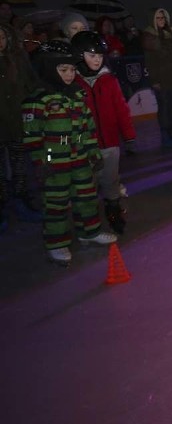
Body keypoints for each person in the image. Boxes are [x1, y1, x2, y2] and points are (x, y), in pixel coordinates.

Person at [21, 41, 117, 265]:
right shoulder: (37, 100)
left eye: (72, 69)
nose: (69, 74)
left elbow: (88, 127)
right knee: (56, 203)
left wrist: (92, 152)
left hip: (80, 157)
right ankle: (57, 243)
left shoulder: (76, 95)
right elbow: (33, 137)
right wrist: (42, 162)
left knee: (87, 197)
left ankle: (90, 231)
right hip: (54, 160)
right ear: (48, 69)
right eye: (63, 70)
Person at [71, 31, 136, 234]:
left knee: (111, 181)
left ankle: (114, 212)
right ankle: (87, 222)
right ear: (80, 56)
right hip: (86, 146)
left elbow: (121, 109)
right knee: (87, 185)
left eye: (100, 56)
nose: (97, 60)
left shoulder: (108, 80)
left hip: (110, 143)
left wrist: (129, 135)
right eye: (92, 56)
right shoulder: (73, 84)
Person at [1, 23, 41, 232]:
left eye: (2, 37)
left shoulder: (17, 60)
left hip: (16, 122)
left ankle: (21, 200)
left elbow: (32, 85)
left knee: (19, 165)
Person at [142, 8, 172, 147]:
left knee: (171, 107)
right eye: (158, 18)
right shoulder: (150, 36)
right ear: (153, 20)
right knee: (164, 107)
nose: (161, 20)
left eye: (163, 18)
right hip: (161, 78)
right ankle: (166, 135)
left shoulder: (169, 34)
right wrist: (154, 80)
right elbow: (150, 61)